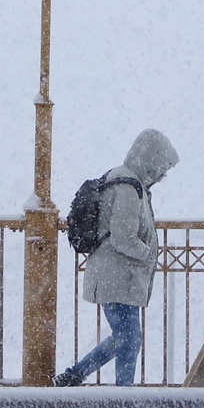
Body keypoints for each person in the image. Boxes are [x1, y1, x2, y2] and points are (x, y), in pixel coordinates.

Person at [53, 129, 178, 387]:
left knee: (125, 337)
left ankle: (74, 376)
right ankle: (124, 395)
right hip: (117, 275)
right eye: (161, 169)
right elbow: (123, 238)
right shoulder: (127, 188)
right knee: (129, 338)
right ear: (150, 161)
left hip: (119, 275)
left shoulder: (127, 182)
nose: (162, 176)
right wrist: (149, 255)